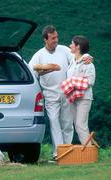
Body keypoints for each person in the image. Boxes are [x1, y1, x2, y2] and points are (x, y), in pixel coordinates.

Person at [28, 25, 93, 161]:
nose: (56, 40)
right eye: (53, 38)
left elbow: (78, 58)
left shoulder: (64, 50)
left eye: (56, 37)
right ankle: (58, 153)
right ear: (45, 39)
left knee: (67, 123)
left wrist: (88, 57)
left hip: (67, 92)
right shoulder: (39, 55)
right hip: (50, 94)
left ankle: (67, 151)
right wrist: (46, 70)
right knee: (54, 121)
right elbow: (31, 71)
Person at [67, 35, 95, 145]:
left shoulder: (88, 63)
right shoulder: (73, 61)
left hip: (84, 98)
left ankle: (88, 151)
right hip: (73, 98)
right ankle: (90, 149)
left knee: (80, 125)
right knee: (78, 125)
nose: (70, 45)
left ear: (78, 46)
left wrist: (73, 83)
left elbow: (90, 81)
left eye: (72, 43)